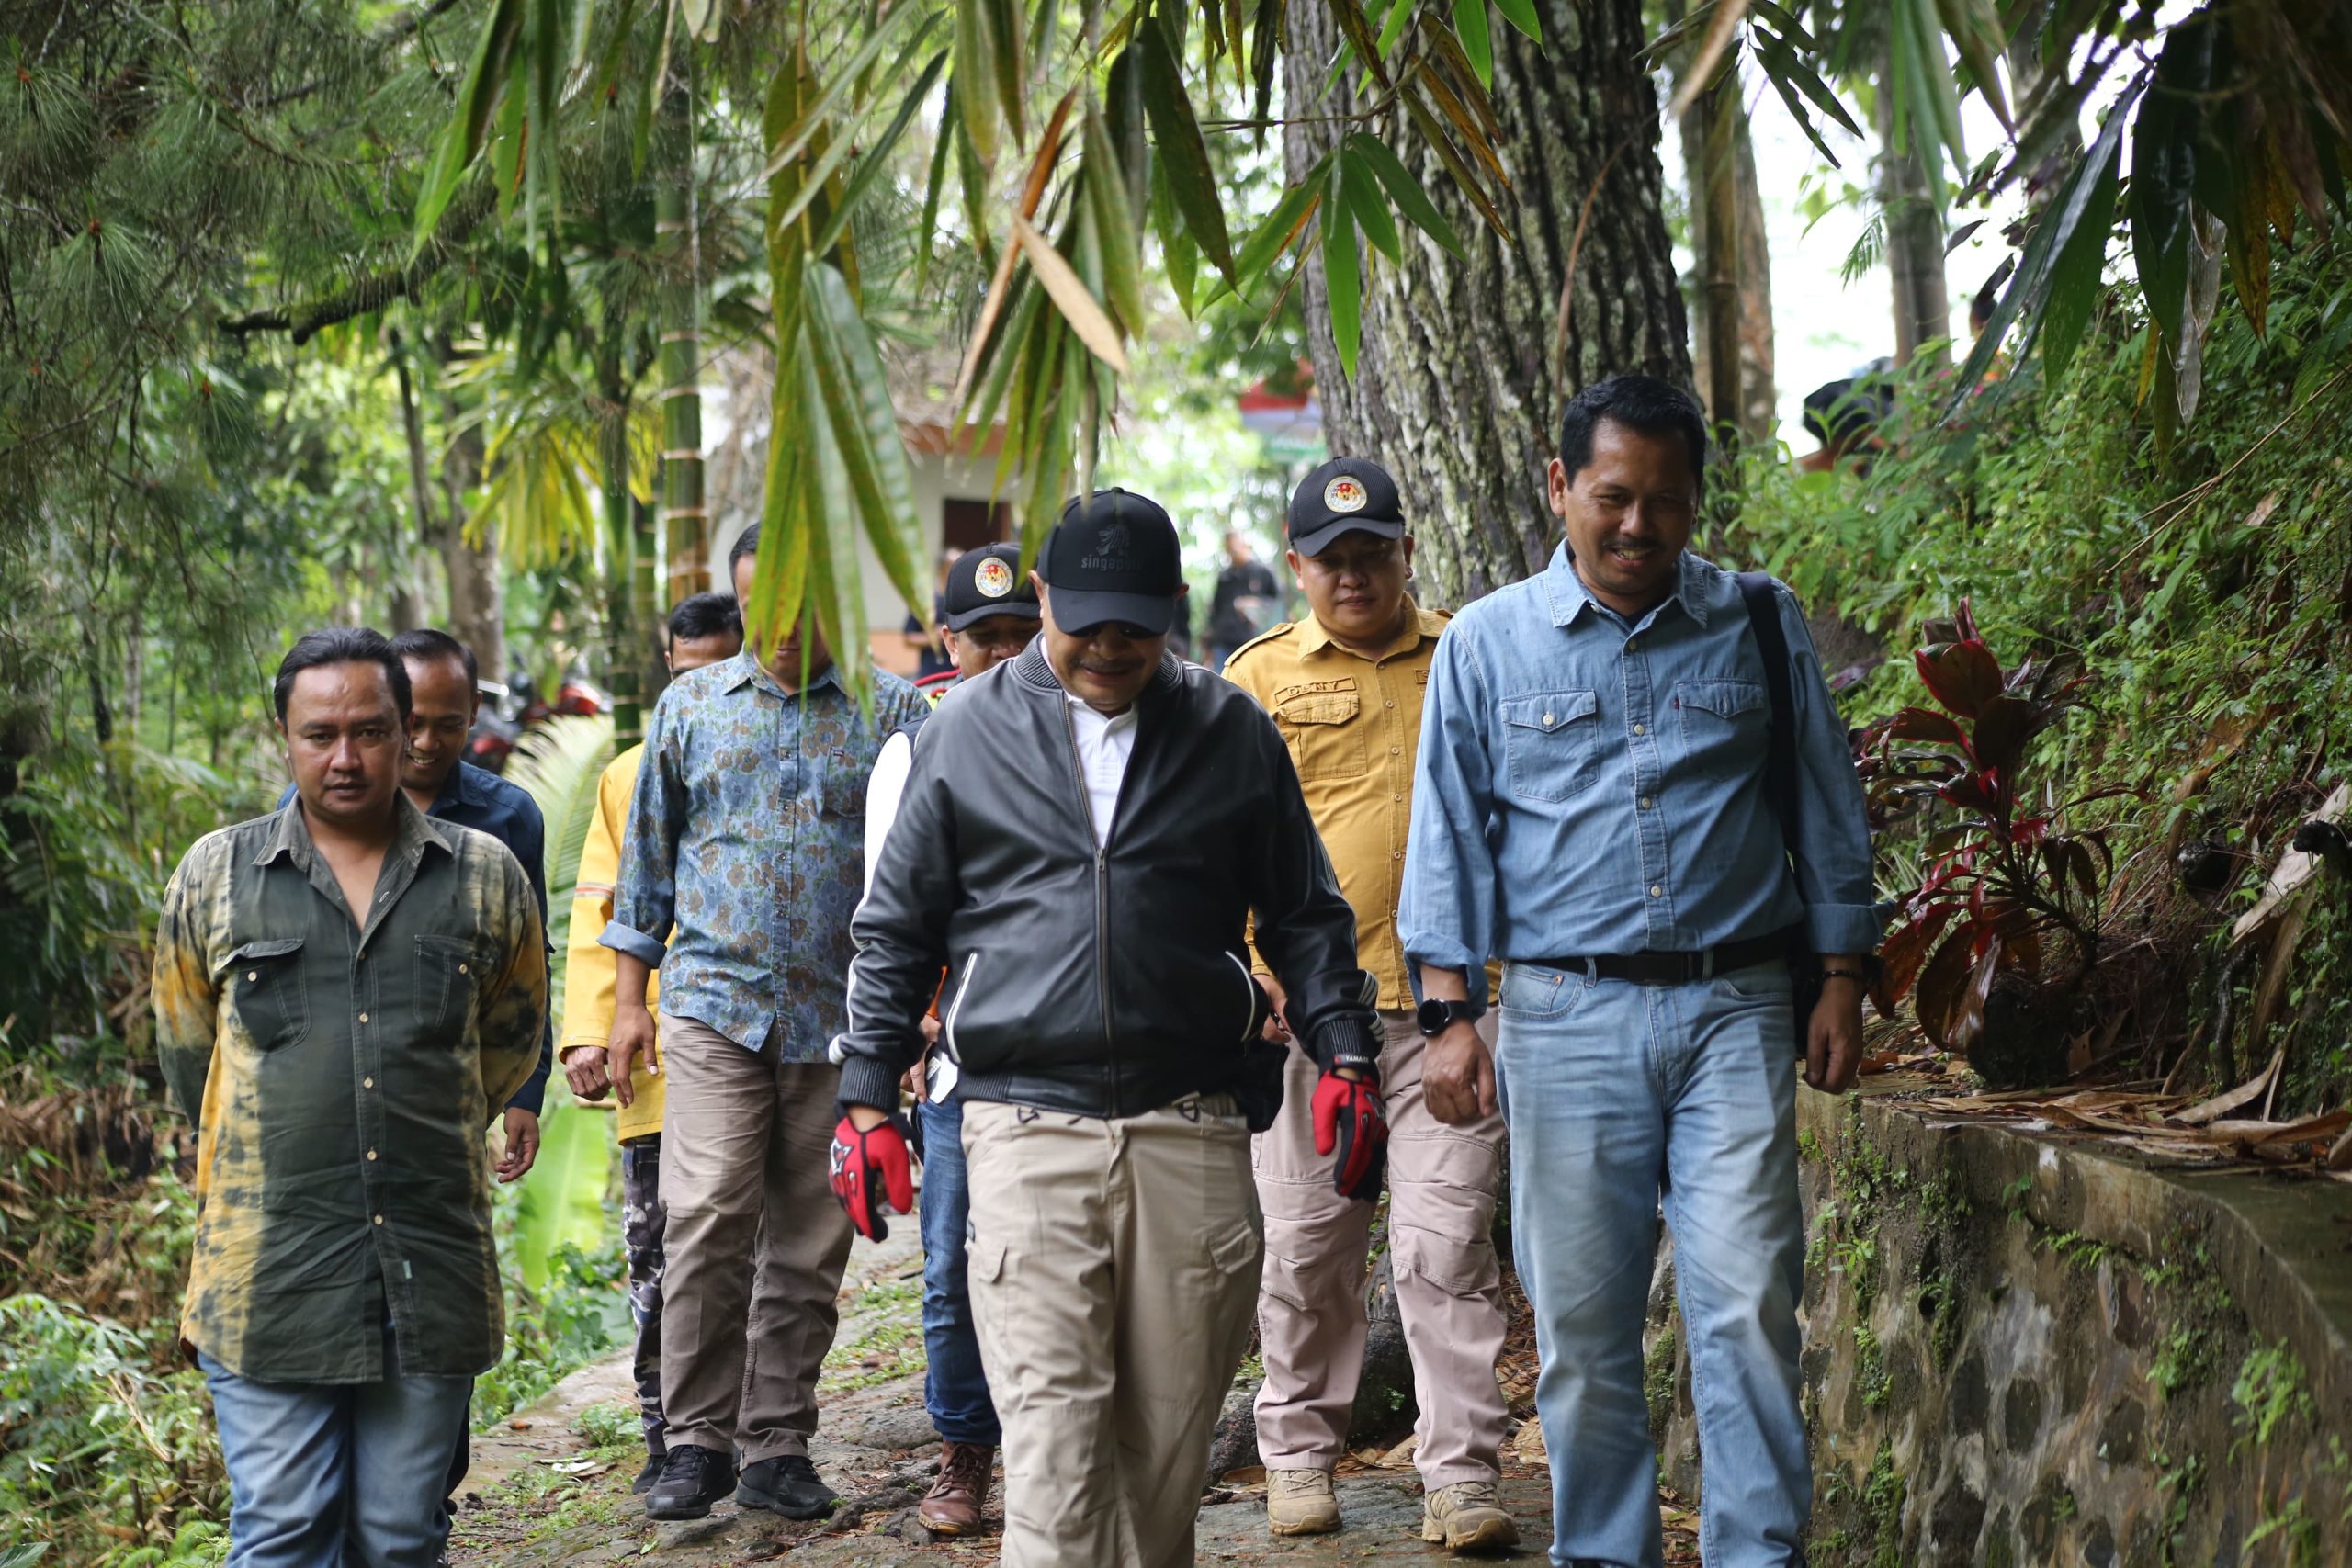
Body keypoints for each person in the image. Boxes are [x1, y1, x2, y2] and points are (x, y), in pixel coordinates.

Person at [831, 489, 1385, 1568]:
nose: (1109, 645)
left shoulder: (1229, 730)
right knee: (1052, 1458)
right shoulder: (965, 735)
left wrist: (1345, 1052)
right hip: (1023, 1127)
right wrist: (866, 1097)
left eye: (1134, 622)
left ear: (1174, 607)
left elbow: (1305, 913)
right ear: (1041, 596)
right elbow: (894, 928)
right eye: (1085, 620)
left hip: (1192, 1127)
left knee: (1162, 1470)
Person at [1400, 374, 1881, 1568]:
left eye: (1665, 501)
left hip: (1736, 1006)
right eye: (1613, 496)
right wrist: (1448, 1010)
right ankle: (1604, 1549)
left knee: (1747, 1307)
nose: (1637, 525)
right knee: (1583, 1327)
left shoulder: (1761, 621)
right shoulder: (1484, 643)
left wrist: (1840, 974)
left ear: (1694, 500)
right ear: (1560, 486)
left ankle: (1756, 1553)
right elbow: (1446, 832)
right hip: (1565, 1012)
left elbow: (1826, 804)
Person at [153, 627, 547, 1568]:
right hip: (269, 1276)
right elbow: (186, 1056)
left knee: (401, 1538)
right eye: (318, 733)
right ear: (283, 738)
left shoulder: (484, 876)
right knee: (283, 1536)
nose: (345, 756)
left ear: (407, 731)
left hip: (429, 1266)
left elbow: (508, 1044)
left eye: (369, 731)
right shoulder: (216, 876)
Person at [600, 525, 931, 1522]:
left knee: (809, 1231)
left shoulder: (899, 714)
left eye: (803, 610)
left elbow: (930, 873)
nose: (783, 632)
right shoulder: (691, 705)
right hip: (713, 1005)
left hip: (844, 1015)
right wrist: (624, 1001)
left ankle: (777, 1443)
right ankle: (696, 1441)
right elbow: (646, 863)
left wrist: (918, 1013)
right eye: (761, 613)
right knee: (704, 1213)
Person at [1222, 457, 1516, 1553]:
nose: (1353, 576)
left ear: (1404, 553)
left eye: (1372, 554)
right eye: (1330, 560)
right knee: (1305, 1251)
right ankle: (1296, 1458)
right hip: (1308, 1024)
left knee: (1445, 1251)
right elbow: (1219, 844)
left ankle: (1462, 1479)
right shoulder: (1252, 681)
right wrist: (1249, 974)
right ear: (1297, 566)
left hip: (1449, 1014)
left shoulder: (1468, 655)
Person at [864, 538, 1041, 1536]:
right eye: (986, 639)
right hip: (955, 1054)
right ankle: (964, 1447)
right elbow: (890, 909)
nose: (1006, 654)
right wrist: (893, 1046)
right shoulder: (918, 745)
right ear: (949, 641)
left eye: (1024, 632)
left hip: (1065, 1048)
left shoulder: (1091, 730)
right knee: (949, 1260)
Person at [556, 592, 744, 1495]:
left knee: (753, 1258)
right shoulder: (628, 775)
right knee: (659, 1265)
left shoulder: (778, 757)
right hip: (658, 1073)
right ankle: (664, 1439)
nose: (701, 692)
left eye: (720, 671)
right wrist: (587, 1035)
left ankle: (747, 1436)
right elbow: (602, 912)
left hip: (752, 1063)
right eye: (684, 676)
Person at [274, 627, 553, 1180]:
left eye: (447, 724)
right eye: (413, 724)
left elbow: (529, 965)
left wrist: (525, 1089)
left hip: (445, 1095)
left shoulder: (508, 820)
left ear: (474, 711)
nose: (425, 742)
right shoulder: (310, 804)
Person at [1206, 528, 1282, 671]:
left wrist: (1256, 603)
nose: (1232, 554)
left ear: (1244, 546)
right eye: (1229, 550)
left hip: (1251, 640)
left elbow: (1276, 603)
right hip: (1223, 641)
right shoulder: (1224, 577)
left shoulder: (1262, 572)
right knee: (1222, 683)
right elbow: (1215, 611)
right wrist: (1209, 644)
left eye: (1235, 549)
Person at [902, 546, 965, 681]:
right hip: (931, 673)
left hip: (961, 675)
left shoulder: (967, 600)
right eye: (954, 566)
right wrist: (932, 637)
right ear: (942, 569)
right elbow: (908, 637)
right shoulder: (926, 602)